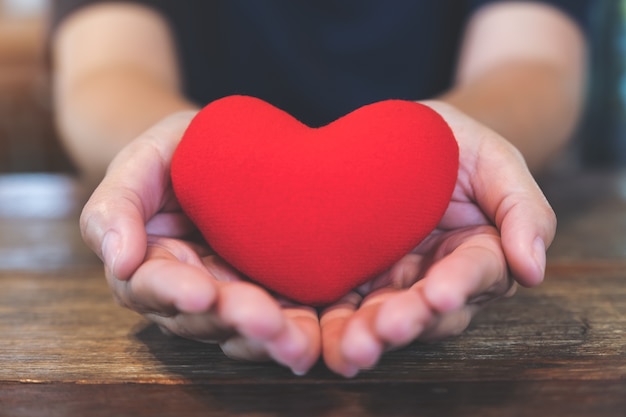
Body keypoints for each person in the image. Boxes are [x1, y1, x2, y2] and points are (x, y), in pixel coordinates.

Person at [49, 0, 590, 377]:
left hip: (417, 187)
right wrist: (167, 155)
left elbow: (533, 60)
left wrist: (457, 149)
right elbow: (104, 68)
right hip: (213, 191)